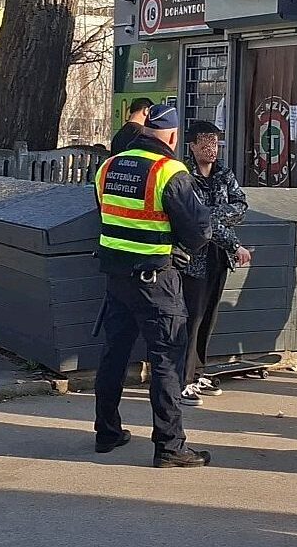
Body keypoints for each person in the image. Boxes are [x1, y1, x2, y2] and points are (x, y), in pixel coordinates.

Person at [93, 104, 214, 468]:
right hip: (156, 280)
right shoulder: (169, 170)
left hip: (117, 278)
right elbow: (199, 230)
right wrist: (180, 250)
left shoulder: (108, 165)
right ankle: (170, 445)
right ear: (174, 136)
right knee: (166, 359)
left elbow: (106, 213)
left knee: (114, 354)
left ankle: (107, 432)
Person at [180, 121, 251, 406]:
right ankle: (182, 378)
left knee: (209, 317)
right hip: (194, 257)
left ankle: (198, 371)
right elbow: (199, 220)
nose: (212, 149)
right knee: (191, 317)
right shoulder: (184, 175)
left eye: (217, 143)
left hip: (218, 257)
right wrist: (232, 241)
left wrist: (213, 214)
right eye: (206, 143)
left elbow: (241, 206)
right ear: (192, 145)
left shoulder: (224, 174)